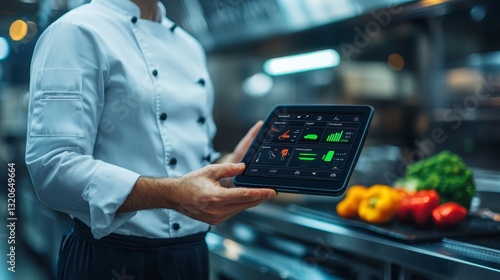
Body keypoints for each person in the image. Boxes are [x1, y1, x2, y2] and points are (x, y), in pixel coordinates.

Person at [25, 0, 276, 279]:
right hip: (111, 259)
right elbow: (53, 167)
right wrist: (172, 194)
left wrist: (230, 167)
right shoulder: (76, 32)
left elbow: (191, 158)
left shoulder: (189, 46)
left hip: (192, 255)